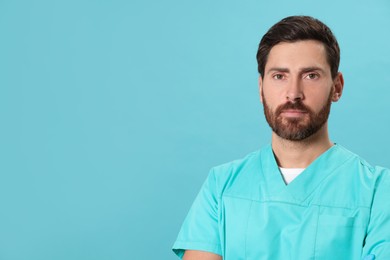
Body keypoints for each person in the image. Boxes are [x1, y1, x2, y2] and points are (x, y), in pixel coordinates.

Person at [172, 15, 390, 259]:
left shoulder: (378, 191)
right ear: (261, 88)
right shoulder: (221, 186)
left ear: (336, 87)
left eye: (311, 75)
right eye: (279, 76)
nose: (293, 93)